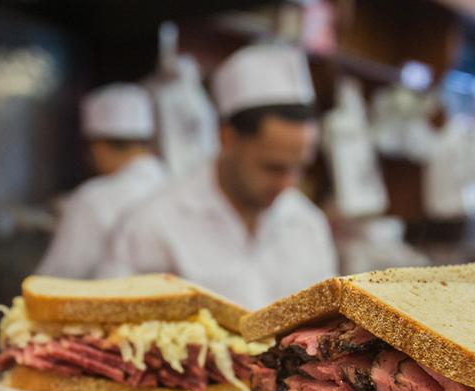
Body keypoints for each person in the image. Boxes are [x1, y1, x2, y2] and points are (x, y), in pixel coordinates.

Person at [100, 44, 338, 308]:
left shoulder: (308, 226)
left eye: (299, 168)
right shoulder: (152, 225)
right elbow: (112, 328)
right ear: (227, 138)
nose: (288, 183)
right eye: (273, 167)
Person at [36, 83, 167, 278]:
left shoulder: (93, 199)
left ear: (98, 146)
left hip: (111, 305)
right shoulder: (178, 186)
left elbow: (57, 277)